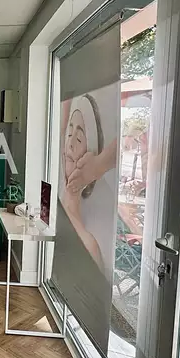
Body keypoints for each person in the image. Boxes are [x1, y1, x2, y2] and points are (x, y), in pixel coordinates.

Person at [60, 94, 109, 273]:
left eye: (79, 138)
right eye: (69, 134)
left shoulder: (88, 243)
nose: (70, 144)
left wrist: (99, 165)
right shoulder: (54, 205)